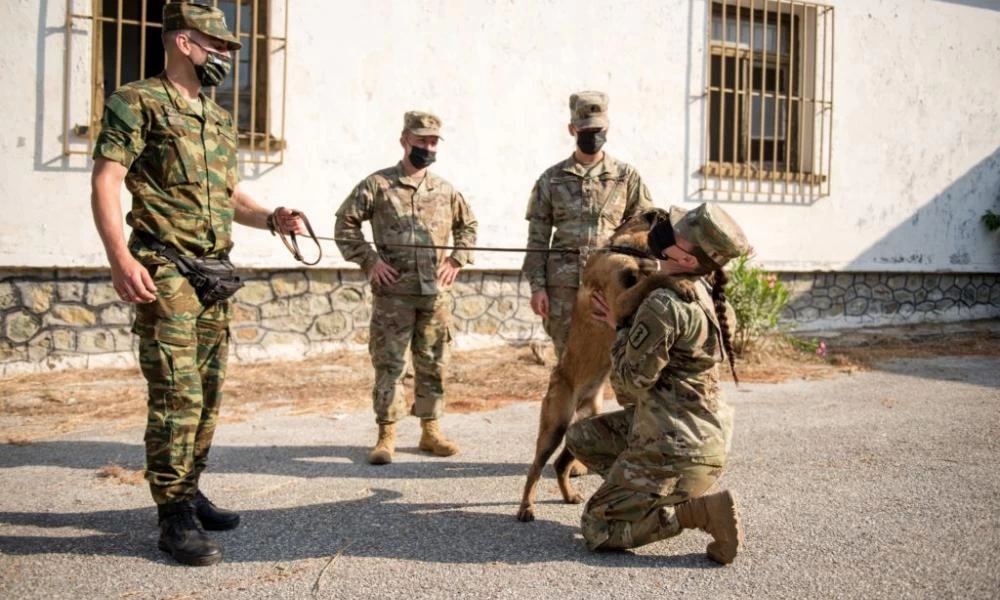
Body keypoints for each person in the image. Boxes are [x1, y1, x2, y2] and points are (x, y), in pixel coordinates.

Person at [89, 2, 305, 566]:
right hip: (164, 270)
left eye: (230, 48)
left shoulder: (217, 117)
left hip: (212, 275)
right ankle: (172, 514)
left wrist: (272, 218)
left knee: (207, 392)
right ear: (184, 42)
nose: (227, 55)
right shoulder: (138, 102)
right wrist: (119, 258)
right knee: (175, 394)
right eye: (219, 45)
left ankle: (189, 489)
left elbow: (227, 196)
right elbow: (106, 181)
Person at [565, 203, 750, 564]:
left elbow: (629, 386)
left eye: (677, 233)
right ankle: (647, 493)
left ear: (687, 258)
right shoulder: (702, 289)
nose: (665, 232)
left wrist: (619, 329)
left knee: (597, 528)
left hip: (678, 446)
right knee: (581, 437)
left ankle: (695, 511)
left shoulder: (665, 304)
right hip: (699, 436)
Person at [334, 111, 478, 465]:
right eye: (421, 141)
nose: (427, 147)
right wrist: (370, 261)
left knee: (434, 363)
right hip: (393, 296)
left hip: (435, 295)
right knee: (390, 364)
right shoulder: (378, 185)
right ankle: (387, 435)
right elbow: (345, 224)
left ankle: (431, 431)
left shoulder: (444, 190)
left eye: (433, 142)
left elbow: (468, 226)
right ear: (404, 141)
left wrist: (456, 259)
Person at [521, 91, 654, 360]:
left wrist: (641, 284)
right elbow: (537, 240)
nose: (592, 136)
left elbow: (642, 235)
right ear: (572, 129)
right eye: (585, 130)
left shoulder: (626, 178)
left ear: (607, 128)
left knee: (615, 358)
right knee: (568, 362)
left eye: (598, 130)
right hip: (563, 290)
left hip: (611, 284)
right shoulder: (551, 179)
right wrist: (537, 288)